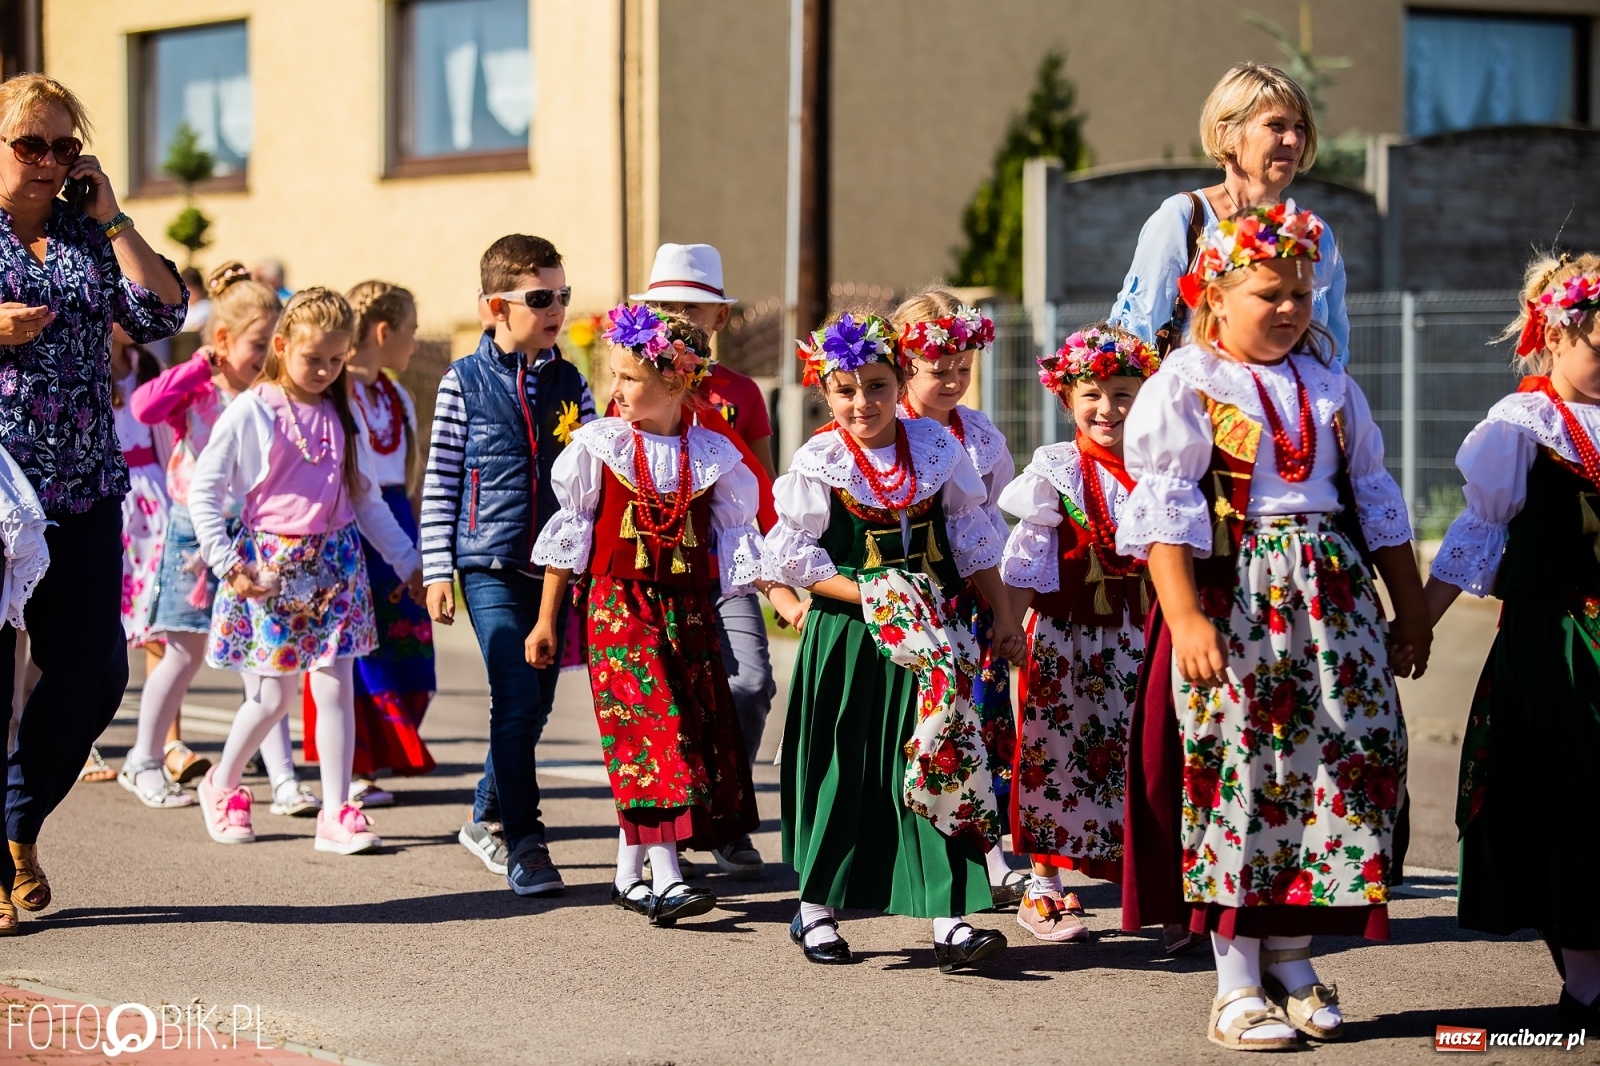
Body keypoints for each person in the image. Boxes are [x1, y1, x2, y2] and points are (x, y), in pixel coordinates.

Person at [1116, 204, 1428, 1049]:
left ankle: (1294, 960)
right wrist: (1185, 616)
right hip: (1240, 597)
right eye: (1269, 294)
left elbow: (1378, 502)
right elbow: (1167, 512)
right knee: (1245, 777)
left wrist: (1409, 610)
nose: (1290, 308)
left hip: (1332, 597)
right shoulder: (1186, 383)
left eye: (1301, 293)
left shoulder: (1332, 386)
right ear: (1213, 297)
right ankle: (1236, 984)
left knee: (1343, 764)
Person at [766, 311, 1023, 971]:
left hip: (932, 637)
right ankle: (816, 910)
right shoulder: (821, 459)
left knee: (939, 759)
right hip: (851, 639)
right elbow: (795, 561)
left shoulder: (934, 447)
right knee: (844, 767)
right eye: (846, 390)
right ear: (826, 392)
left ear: (899, 381)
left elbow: (972, 536)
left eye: (877, 385)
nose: (863, 402)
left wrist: (1002, 614)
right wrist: (878, 594)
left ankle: (950, 919)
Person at [0, 74, 187, 931]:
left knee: (95, 670)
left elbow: (163, 313)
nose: (47, 161)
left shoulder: (84, 233)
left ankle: (16, 822)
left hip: (82, 487)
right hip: (3, 492)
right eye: (29, 144)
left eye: (63, 146)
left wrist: (111, 214)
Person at [528, 304, 764, 925]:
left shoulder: (712, 455)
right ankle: (669, 877)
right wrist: (547, 620)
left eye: (630, 378)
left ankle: (627, 875)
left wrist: (784, 600)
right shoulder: (601, 446)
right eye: (615, 375)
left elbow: (738, 544)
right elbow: (572, 535)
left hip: (687, 611)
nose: (616, 389)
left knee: (668, 733)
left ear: (678, 382)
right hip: (618, 605)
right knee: (656, 727)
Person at [1424, 253, 1600, 1028]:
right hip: (1558, 642)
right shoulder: (1522, 426)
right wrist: (1413, 627)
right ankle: (1586, 981)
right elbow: (1477, 535)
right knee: (1570, 800)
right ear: (1555, 336)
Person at [187, 287, 422, 854]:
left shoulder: (343, 412)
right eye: (313, 358)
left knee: (335, 687)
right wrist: (227, 564)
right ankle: (222, 783)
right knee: (272, 698)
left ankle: (337, 812)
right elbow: (204, 491)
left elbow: (366, 500)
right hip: (271, 570)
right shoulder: (254, 409)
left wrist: (409, 563)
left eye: (336, 360)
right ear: (282, 346)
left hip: (337, 565)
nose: (325, 370)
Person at [421, 235, 595, 894]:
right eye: (541, 297)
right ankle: (526, 841)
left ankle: (485, 813)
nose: (556, 309)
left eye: (563, 295)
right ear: (496, 306)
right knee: (516, 696)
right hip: (486, 561)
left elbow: (591, 481)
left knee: (536, 704)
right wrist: (437, 569)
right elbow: (440, 480)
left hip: (554, 571)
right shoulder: (460, 382)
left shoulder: (572, 382)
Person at [124, 264, 312, 814]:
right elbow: (143, 407)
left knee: (267, 660)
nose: (268, 353)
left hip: (252, 536)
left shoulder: (272, 395)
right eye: (259, 343)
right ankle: (144, 759)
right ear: (224, 340)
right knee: (182, 654)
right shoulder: (199, 387)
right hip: (194, 531)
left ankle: (282, 777)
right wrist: (197, 367)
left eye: (275, 342)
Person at [998, 324, 1158, 943]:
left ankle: (1158, 888)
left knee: (1143, 756)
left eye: (1122, 394)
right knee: (1054, 754)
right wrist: (1009, 627)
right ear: (1067, 399)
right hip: (1065, 640)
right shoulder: (1056, 470)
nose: (1107, 409)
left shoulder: (1163, 468)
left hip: (1141, 639)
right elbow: (1026, 559)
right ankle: (1044, 886)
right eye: (1092, 394)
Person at [630, 242, 774, 878]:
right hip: (659, 571)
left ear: (720, 318)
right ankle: (675, 825)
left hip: (727, 569)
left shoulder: (742, 392)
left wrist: (779, 570)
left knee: (750, 682)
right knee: (671, 697)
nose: (680, 318)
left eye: (694, 308)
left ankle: (724, 812)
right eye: (668, 308)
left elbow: (762, 484)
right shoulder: (635, 383)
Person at [889, 290, 1023, 906]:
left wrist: (1006, 606)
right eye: (938, 369)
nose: (952, 381)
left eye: (963, 369)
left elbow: (993, 517)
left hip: (971, 596)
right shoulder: (884, 428)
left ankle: (987, 850)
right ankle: (911, 850)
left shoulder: (981, 434)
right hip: (910, 596)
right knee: (918, 723)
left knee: (980, 718)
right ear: (905, 362)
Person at [1108, 62, 1350, 366]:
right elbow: (1134, 341)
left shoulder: (1314, 234)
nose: (1293, 140)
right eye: (1276, 125)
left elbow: (1334, 356)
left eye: (1300, 127)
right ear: (1226, 135)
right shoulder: (1184, 219)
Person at [302, 281, 434, 807]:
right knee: (354, 650)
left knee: (407, 643)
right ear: (383, 331)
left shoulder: (396, 396)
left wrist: (416, 541)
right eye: (411, 331)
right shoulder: (338, 393)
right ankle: (353, 766)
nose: (415, 342)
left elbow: (409, 473)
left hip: (394, 519)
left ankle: (382, 753)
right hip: (351, 527)